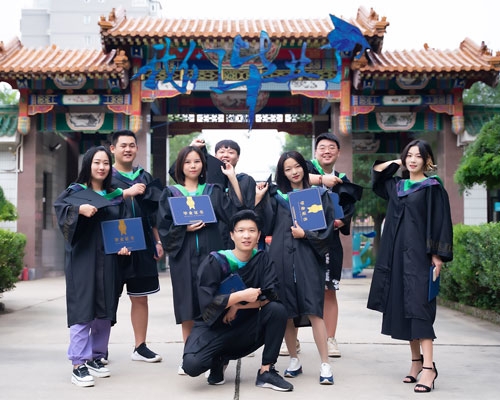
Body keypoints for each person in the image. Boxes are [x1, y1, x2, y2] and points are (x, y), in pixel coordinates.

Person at [366, 139, 453, 393]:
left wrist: (437, 256)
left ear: (428, 160)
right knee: (404, 309)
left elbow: (441, 221)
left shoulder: (432, 188)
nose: (413, 160)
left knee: (419, 309)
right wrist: (397, 161)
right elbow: (377, 175)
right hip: (396, 258)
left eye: (418, 156)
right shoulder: (397, 186)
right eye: (409, 155)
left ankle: (429, 368)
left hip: (420, 258)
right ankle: (415, 363)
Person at [182, 210, 293, 392]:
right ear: (232, 235)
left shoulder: (262, 260)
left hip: (244, 326)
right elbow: (206, 303)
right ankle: (218, 359)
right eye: (241, 231)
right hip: (213, 327)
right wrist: (239, 297)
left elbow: (271, 295)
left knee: (277, 310)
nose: (246, 235)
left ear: (258, 235)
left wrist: (237, 307)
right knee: (192, 365)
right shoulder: (216, 261)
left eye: (252, 230)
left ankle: (266, 371)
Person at [157, 145, 243, 374]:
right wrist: (183, 228)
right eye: (187, 162)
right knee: (187, 307)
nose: (193, 166)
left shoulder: (213, 190)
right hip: (183, 258)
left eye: (197, 161)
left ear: (203, 165)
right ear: (180, 166)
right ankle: (189, 355)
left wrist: (232, 179)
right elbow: (163, 227)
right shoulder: (171, 193)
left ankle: (216, 358)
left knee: (214, 305)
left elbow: (234, 213)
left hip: (210, 257)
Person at [54, 146, 132, 387]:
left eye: (106, 163)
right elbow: (60, 211)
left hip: (108, 258)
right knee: (82, 307)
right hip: (83, 258)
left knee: (104, 307)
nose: (101, 167)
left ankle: (97, 356)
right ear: (88, 165)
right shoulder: (75, 192)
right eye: (97, 162)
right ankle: (78, 363)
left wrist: (124, 245)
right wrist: (79, 210)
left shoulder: (115, 195)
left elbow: (122, 225)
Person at [256, 151, 336, 385]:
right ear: (282, 173)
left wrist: (306, 235)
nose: (294, 172)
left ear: (304, 167)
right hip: (281, 259)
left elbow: (327, 232)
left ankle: (325, 363)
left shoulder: (319, 196)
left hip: (308, 260)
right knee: (287, 312)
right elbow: (265, 226)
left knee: (315, 310)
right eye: (288, 169)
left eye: (297, 166)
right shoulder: (276, 197)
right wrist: (259, 200)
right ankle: (294, 359)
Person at [109, 129, 163, 363]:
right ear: (113, 148)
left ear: (137, 149)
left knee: (140, 297)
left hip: (142, 244)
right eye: (123, 145)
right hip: (112, 245)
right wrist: (124, 193)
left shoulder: (145, 177)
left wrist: (158, 241)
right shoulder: (104, 176)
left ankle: (140, 346)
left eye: (132, 145)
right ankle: (99, 348)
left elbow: (153, 213)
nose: (128, 149)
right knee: (107, 298)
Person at [305, 132, 360, 358]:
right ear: (315, 151)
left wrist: (341, 221)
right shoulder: (305, 169)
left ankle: (330, 339)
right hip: (302, 239)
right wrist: (321, 180)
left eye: (331, 148)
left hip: (329, 241)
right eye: (322, 147)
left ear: (338, 153)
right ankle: (290, 339)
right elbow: (291, 179)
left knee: (329, 290)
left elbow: (348, 209)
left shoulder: (343, 179)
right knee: (296, 288)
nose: (326, 151)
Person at [170, 137, 257, 248]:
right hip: (211, 234)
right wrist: (192, 148)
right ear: (215, 156)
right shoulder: (205, 178)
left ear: (238, 157)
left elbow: (243, 208)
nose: (225, 155)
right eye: (221, 152)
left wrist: (232, 177)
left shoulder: (245, 180)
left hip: (235, 235)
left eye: (231, 152)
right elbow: (179, 173)